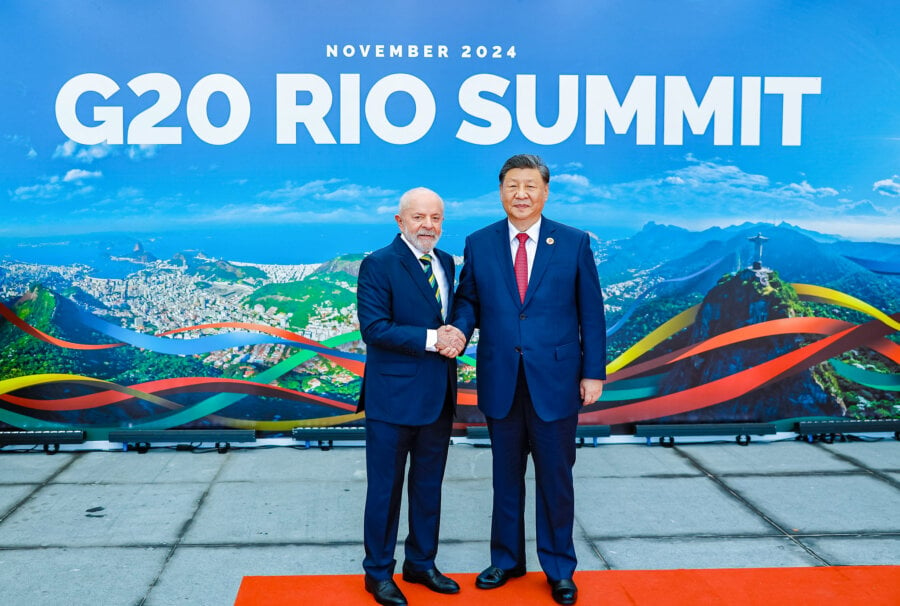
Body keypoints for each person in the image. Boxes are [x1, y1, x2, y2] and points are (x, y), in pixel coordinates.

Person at [443, 154, 606, 605]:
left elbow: (591, 313)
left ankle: (559, 568)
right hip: (501, 378)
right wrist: (458, 328)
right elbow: (468, 300)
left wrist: (593, 372)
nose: (521, 194)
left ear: (545, 192)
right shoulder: (480, 243)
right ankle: (507, 559)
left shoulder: (573, 243)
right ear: (501, 191)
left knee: (556, 479)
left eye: (530, 186)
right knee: (505, 477)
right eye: (512, 185)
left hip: (556, 381)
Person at [356, 187, 462, 606]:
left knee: (428, 486)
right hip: (392, 399)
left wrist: (454, 334)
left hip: (437, 396)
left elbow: (455, 317)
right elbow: (374, 329)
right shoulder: (378, 264)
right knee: (385, 490)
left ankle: (421, 563)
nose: (428, 225)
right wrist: (437, 339)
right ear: (400, 221)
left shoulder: (447, 262)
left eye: (435, 217)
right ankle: (377, 573)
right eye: (419, 217)